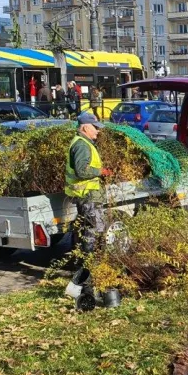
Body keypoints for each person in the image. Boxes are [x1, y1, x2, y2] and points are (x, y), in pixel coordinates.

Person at [65, 113, 112, 263]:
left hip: (88, 195)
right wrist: (101, 172)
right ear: (85, 127)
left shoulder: (83, 142)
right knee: (92, 231)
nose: (98, 131)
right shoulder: (82, 145)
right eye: (95, 127)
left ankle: (86, 263)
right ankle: (89, 266)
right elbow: (81, 171)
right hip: (87, 195)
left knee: (88, 230)